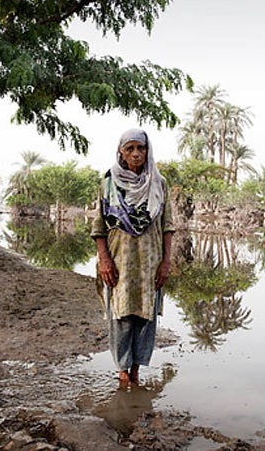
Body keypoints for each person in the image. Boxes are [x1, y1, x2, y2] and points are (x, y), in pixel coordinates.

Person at [91, 128, 175, 387]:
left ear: (148, 151)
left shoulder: (159, 184)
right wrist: (104, 260)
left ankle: (136, 369)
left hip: (150, 263)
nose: (136, 154)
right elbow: (98, 227)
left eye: (141, 148)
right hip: (119, 261)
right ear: (121, 152)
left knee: (144, 315)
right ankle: (123, 371)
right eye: (130, 149)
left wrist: (166, 262)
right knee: (121, 315)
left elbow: (168, 225)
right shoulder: (109, 183)